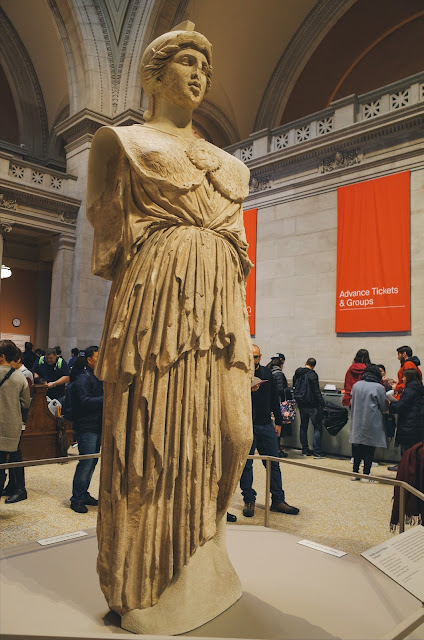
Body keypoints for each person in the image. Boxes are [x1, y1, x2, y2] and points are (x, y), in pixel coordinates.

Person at [87, 24, 253, 618]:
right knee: (153, 442)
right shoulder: (122, 144)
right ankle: (147, 587)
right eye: (187, 62)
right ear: (155, 76)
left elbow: (236, 252)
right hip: (155, 314)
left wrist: (242, 327)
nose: (200, 74)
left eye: (205, 67)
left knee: (236, 435)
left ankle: (202, 551)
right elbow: (109, 250)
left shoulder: (230, 166)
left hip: (219, 315)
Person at [240, 344, 299, 517]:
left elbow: (275, 398)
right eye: (250, 357)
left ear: (261, 357)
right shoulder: (239, 374)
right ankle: (248, 499)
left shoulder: (267, 374)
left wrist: (279, 422)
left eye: (256, 357)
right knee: (246, 465)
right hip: (247, 425)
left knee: (273, 462)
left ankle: (278, 499)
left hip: (266, 424)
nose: (253, 360)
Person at [70, 346, 103, 514]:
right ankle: (76, 499)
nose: (101, 360)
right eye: (98, 358)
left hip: (97, 425)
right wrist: (107, 398)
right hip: (86, 426)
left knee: (92, 462)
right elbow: (85, 401)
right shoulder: (84, 378)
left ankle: (84, 493)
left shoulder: (98, 376)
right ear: (89, 360)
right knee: (86, 463)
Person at [2, 349, 33, 503]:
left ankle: (19, 488)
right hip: (15, 422)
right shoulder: (20, 376)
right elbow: (26, 402)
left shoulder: (23, 374)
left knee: (13, 455)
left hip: (13, 422)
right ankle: (13, 486)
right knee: (14, 454)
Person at [349, 364, 388, 481]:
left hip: (357, 419)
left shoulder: (356, 385)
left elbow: (351, 400)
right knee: (369, 448)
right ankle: (366, 474)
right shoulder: (379, 387)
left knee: (356, 447)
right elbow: (383, 406)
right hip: (371, 420)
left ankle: (355, 472)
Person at [293, 358, 326, 458]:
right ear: (314, 366)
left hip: (302, 404)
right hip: (312, 405)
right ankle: (317, 452)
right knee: (317, 427)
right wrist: (322, 403)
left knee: (303, 426)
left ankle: (304, 450)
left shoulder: (298, 373)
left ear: (305, 363)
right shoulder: (313, 375)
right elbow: (316, 391)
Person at [389, 369, 424, 458]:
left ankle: (405, 469)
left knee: (407, 452)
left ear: (409, 377)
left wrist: (391, 404)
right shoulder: (417, 388)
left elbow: (401, 406)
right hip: (415, 424)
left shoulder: (410, 390)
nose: (402, 379)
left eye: (404, 377)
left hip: (408, 424)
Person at [266, 353, 290, 458]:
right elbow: (280, 390)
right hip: (278, 403)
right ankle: (277, 449)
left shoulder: (268, 371)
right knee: (278, 427)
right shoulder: (279, 373)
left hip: (269, 403)